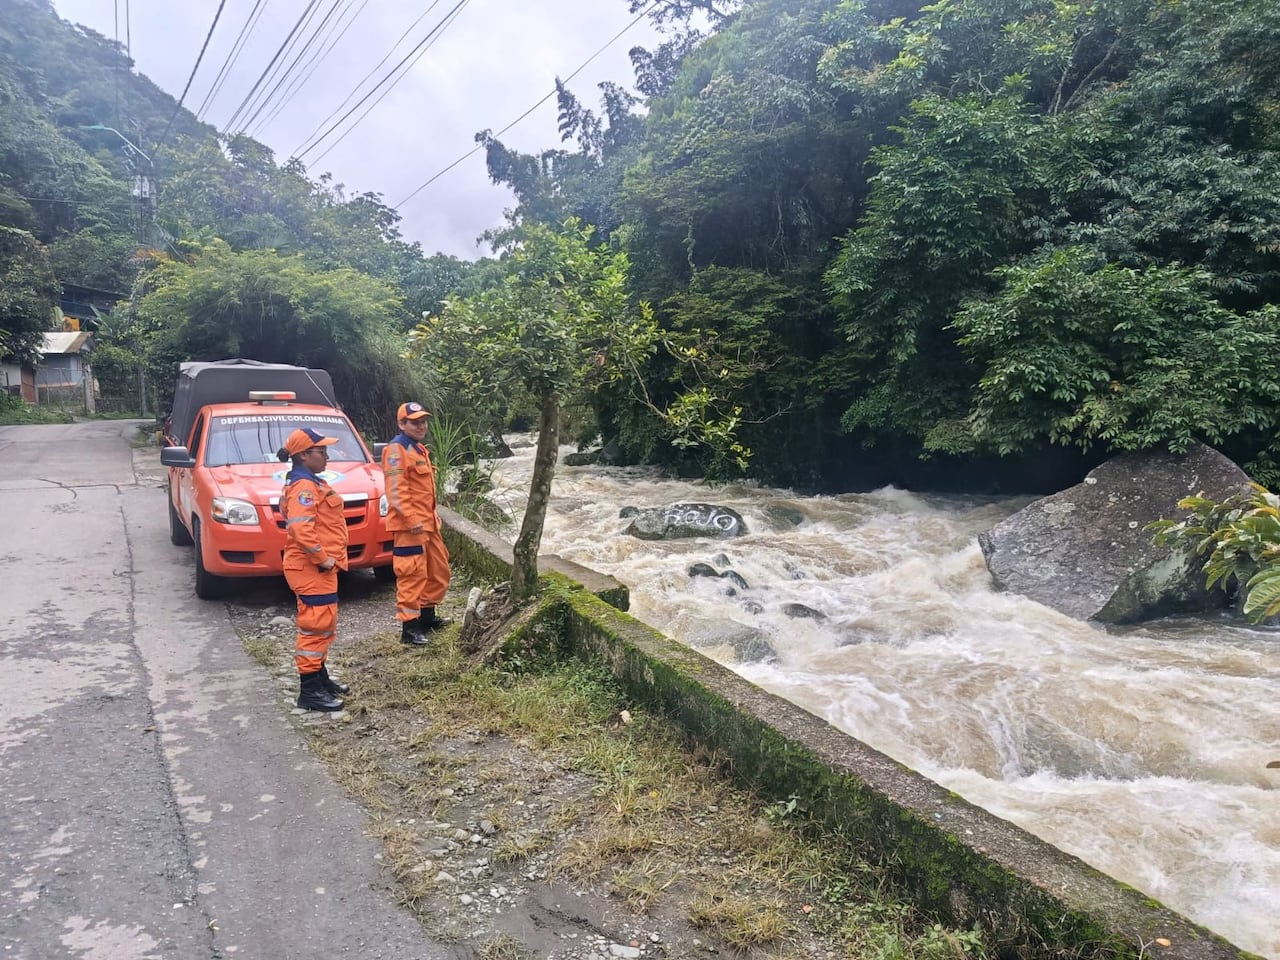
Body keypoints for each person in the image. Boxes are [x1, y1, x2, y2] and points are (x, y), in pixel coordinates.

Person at [278, 427, 350, 711]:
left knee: (323, 625)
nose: (327, 456)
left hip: (315, 568)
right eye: (321, 452)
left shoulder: (310, 482)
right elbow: (300, 528)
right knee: (315, 627)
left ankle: (319, 678)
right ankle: (309, 691)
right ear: (304, 455)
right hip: (311, 568)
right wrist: (322, 558)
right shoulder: (304, 487)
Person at [381, 401, 452, 646]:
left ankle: (427, 617)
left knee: (438, 570)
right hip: (409, 528)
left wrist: (433, 516)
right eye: (415, 422)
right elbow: (396, 492)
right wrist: (411, 519)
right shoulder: (396, 450)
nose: (421, 426)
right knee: (411, 575)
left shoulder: (418, 449)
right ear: (402, 424)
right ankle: (409, 629)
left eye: (423, 421)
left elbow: (424, 491)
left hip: (429, 525)